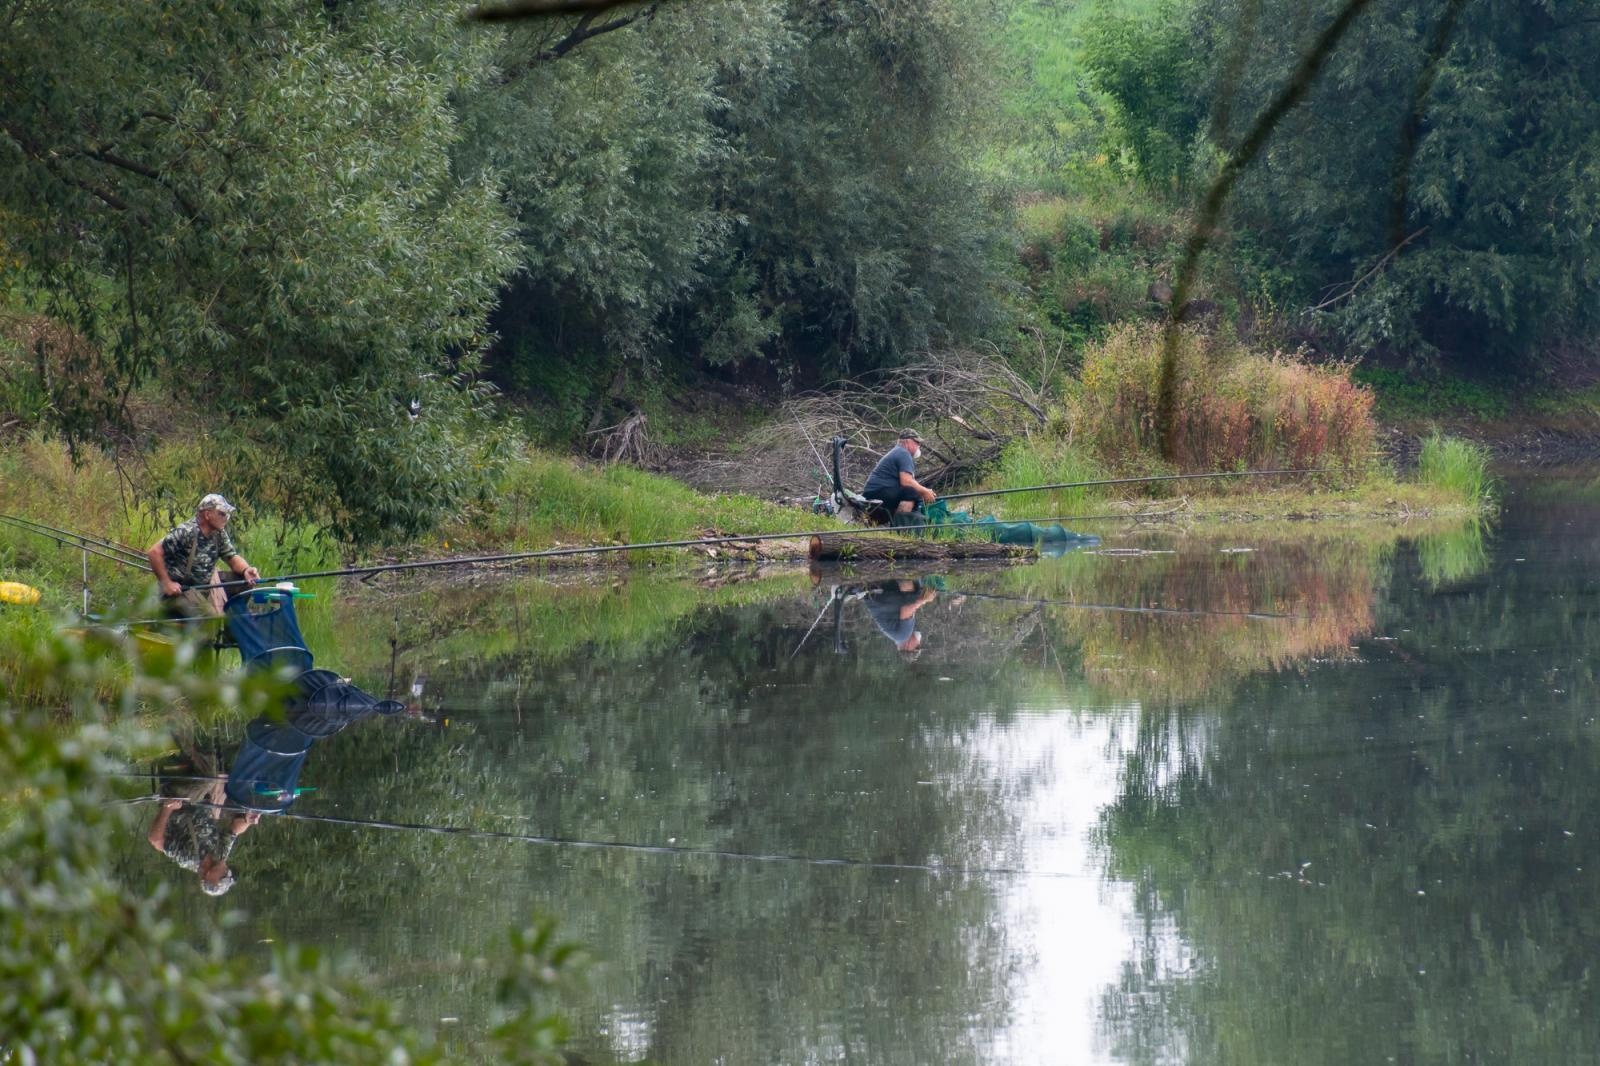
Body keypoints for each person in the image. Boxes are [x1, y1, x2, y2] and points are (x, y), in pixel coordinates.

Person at [147, 493, 260, 617]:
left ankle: (232, 623)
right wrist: (167, 583)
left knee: (243, 582)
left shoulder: (219, 534)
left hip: (205, 587)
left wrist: (246, 570)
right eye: (222, 514)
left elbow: (232, 558)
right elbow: (154, 552)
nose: (226, 518)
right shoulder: (186, 532)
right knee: (209, 618)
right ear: (207, 514)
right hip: (181, 592)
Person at [860, 429, 937, 522]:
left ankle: (894, 521)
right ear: (907, 442)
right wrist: (925, 491)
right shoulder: (903, 453)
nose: (918, 445)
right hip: (878, 493)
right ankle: (900, 526)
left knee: (914, 493)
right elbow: (906, 481)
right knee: (912, 492)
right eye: (916, 442)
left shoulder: (898, 452)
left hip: (874, 493)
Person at [864, 578, 936, 654]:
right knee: (914, 597)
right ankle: (901, 576)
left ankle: (904, 575)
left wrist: (924, 600)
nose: (919, 642)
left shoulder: (903, 636)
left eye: (917, 646)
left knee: (914, 597)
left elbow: (906, 609)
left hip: (881, 598)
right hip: (875, 597)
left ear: (907, 647)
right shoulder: (897, 637)